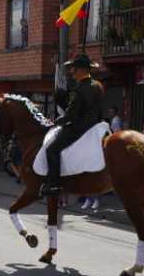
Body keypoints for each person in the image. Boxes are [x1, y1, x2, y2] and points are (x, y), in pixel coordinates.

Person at [41, 53, 104, 196]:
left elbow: (71, 115)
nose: (71, 72)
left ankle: (53, 184)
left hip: (79, 128)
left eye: (74, 69)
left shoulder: (79, 89)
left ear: (82, 70)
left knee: (52, 149)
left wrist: (56, 122)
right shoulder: (98, 85)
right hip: (95, 126)